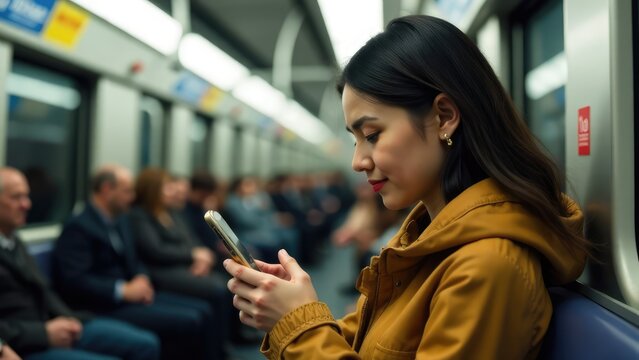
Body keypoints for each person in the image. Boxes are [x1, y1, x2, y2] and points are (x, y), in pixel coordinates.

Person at [223, 15, 590, 359]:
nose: (357, 162)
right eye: (355, 141)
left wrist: (299, 327)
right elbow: (369, 340)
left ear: (444, 117)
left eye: (372, 135)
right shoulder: (426, 239)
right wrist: (292, 311)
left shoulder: (487, 267)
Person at [52, 164, 223, 360]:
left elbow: (135, 260)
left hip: (131, 296)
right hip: (101, 305)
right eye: (127, 191)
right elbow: (75, 281)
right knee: (190, 319)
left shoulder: (120, 221)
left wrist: (142, 277)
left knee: (202, 311)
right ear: (107, 189)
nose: (132, 197)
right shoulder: (79, 227)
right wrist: (122, 290)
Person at [0, 167, 160, 360]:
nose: (27, 204)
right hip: (25, 342)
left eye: (26, 196)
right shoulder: (78, 225)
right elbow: (75, 281)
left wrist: (68, 319)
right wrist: (43, 333)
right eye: (16, 197)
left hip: (55, 323)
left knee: (147, 343)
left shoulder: (14, 240)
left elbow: (44, 290)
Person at [129, 167, 232, 355]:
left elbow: (190, 239)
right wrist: (193, 256)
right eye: (167, 186)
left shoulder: (171, 213)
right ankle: (214, 352)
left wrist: (201, 257)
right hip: (160, 271)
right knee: (217, 289)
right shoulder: (140, 215)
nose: (173, 190)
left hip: (182, 266)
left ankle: (219, 348)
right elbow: (156, 251)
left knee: (221, 285)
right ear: (153, 189)